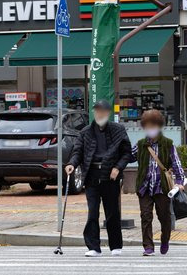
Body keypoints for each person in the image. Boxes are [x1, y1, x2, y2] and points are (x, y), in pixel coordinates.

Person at [65, 99, 132, 257]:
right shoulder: (85, 132)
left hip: (110, 175)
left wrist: (117, 167)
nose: (99, 114)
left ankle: (115, 245)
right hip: (92, 176)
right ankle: (93, 247)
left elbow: (126, 153)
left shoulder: (118, 129)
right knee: (92, 212)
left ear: (108, 113)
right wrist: (71, 164)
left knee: (112, 212)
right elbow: (78, 152)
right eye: (97, 111)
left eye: (102, 111)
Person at [133, 109, 185, 257]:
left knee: (164, 217)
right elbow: (128, 156)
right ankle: (148, 246)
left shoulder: (168, 144)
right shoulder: (141, 144)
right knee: (145, 216)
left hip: (162, 187)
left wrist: (180, 182)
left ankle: (164, 240)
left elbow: (176, 164)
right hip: (144, 187)